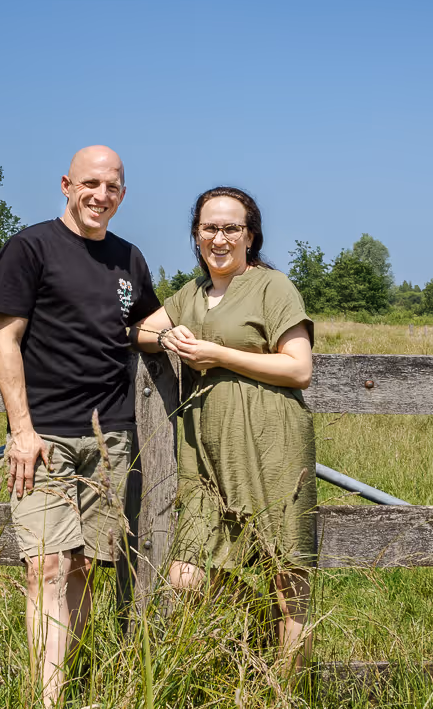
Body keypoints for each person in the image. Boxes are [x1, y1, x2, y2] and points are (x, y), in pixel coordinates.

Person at [0, 145, 161, 709]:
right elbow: (5, 339)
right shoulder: (31, 247)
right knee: (45, 567)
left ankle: (76, 697)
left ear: (123, 194)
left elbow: (147, 326)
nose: (100, 196)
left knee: (87, 567)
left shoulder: (129, 258)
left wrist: (223, 321)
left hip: (111, 437)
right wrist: (22, 430)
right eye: (90, 184)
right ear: (66, 184)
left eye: (112, 187)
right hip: (46, 438)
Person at [134, 186, 316, 668]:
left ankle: (285, 704)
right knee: (185, 575)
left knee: (287, 579)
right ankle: (245, 651)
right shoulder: (192, 293)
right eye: (209, 228)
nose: (220, 238)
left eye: (231, 228)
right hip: (205, 454)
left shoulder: (273, 287)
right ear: (196, 235)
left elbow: (299, 369)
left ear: (250, 236)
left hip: (270, 443)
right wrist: (166, 333)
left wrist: (219, 355)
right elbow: (138, 331)